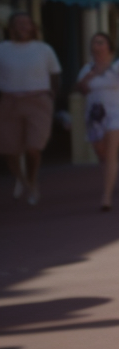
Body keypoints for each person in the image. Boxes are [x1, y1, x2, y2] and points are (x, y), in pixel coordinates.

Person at [74, 32, 119, 211]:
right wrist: (89, 77)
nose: (97, 46)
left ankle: (106, 197)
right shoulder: (86, 69)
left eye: (101, 42)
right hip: (95, 116)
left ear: (109, 47)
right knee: (104, 153)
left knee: (112, 153)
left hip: (117, 114)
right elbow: (81, 90)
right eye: (94, 43)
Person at [0, 12, 61, 206]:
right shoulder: (3, 49)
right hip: (10, 100)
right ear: (11, 28)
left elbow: (55, 75)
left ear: (33, 27)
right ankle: (22, 179)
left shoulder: (44, 49)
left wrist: (50, 96)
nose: (24, 27)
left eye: (27, 23)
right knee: (9, 148)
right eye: (19, 24)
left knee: (34, 147)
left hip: (38, 100)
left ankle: (32, 181)